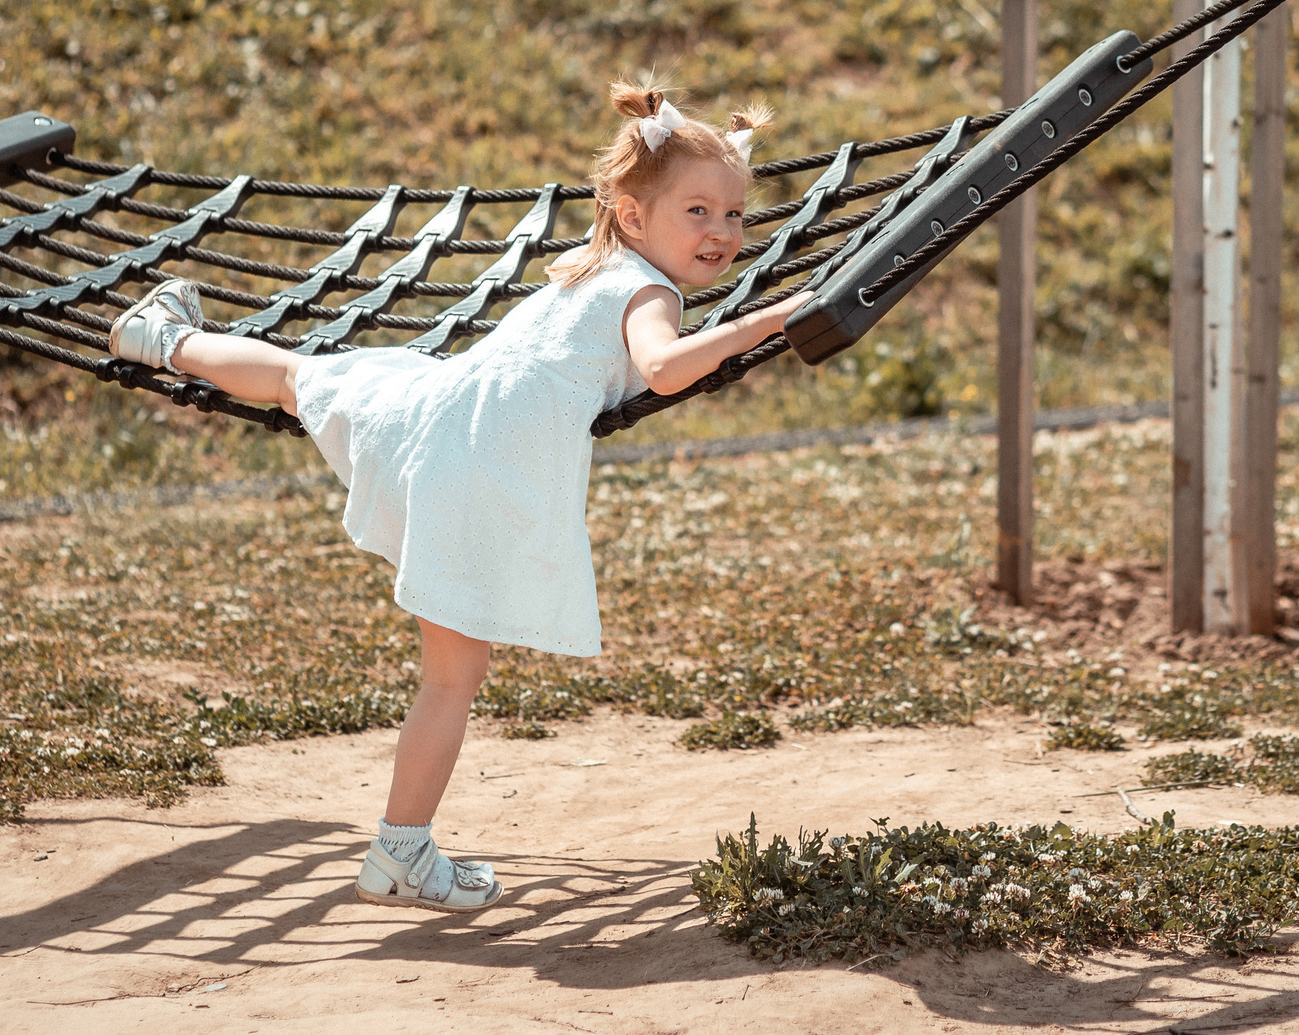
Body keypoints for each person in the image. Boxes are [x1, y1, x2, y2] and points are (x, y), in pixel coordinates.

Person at [103, 84, 812, 915]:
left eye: (734, 215)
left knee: (300, 376)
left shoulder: (594, 264)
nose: (722, 233)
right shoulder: (651, 293)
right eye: (698, 210)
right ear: (630, 213)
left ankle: (166, 337)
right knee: (451, 680)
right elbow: (661, 367)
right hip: (477, 472)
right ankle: (399, 851)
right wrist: (771, 319)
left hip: (430, 414)